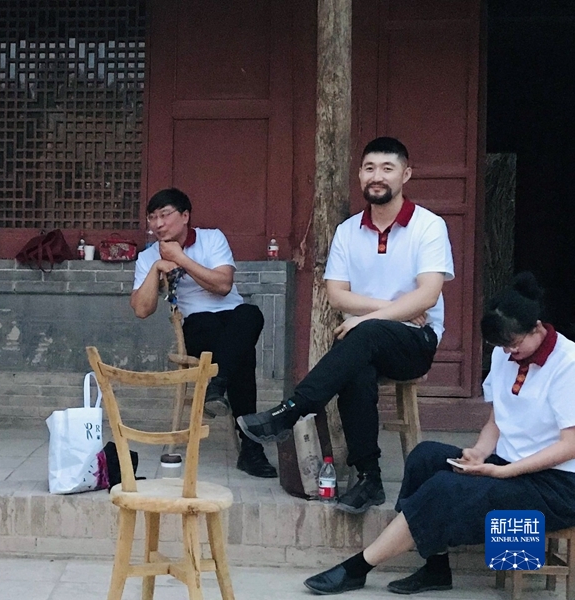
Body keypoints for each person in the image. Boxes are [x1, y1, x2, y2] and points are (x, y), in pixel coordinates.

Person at [303, 272, 575, 595]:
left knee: (447, 488)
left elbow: (569, 446)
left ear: (538, 328)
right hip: (509, 466)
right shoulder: (505, 356)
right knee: (426, 457)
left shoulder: (567, 363)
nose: (509, 352)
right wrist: (479, 453)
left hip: (555, 484)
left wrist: (505, 472)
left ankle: (358, 567)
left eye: (514, 344)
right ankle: (435, 569)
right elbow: (498, 419)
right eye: (503, 346)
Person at [238, 137, 455, 512]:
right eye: (369, 168)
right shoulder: (349, 230)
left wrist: (368, 319)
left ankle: (292, 409)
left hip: (415, 342)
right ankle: (370, 479)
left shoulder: (428, 226)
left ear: (406, 174)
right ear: (360, 175)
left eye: (387, 168)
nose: (377, 176)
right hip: (363, 342)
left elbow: (428, 296)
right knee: (357, 366)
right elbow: (337, 296)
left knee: (362, 334)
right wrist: (390, 309)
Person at [131, 188, 277, 479]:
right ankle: (251, 448)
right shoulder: (147, 257)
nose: (158, 224)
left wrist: (180, 258)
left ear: (185, 216)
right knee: (238, 351)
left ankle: (217, 384)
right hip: (197, 327)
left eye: (164, 215)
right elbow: (141, 309)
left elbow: (223, 286)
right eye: (152, 217)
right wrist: (157, 267)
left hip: (235, 320)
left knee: (250, 314)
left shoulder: (212, 239)